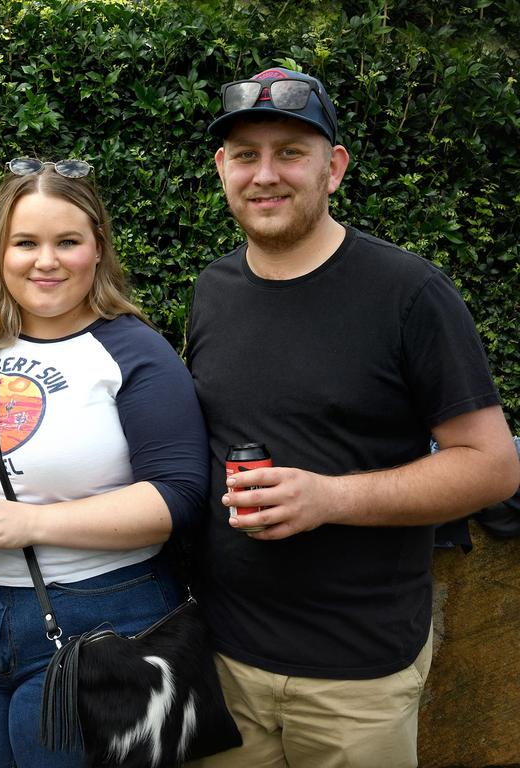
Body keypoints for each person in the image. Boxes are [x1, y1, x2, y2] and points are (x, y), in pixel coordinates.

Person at [184, 66, 520, 767]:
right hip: (223, 663)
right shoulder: (211, 291)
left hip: (357, 678)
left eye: (291, 152)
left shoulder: (410, 295)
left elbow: (492, 466)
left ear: (332, 167)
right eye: (246, 154)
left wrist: (329, 498)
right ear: (222, 168)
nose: (265, 174)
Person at [0, 158, 209, 767]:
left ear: (97, 249)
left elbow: (179, 496)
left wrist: (31, 523)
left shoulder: (134, 352)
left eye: (67, 242)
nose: (46, 260)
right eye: (25, 242)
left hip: (101, 626)